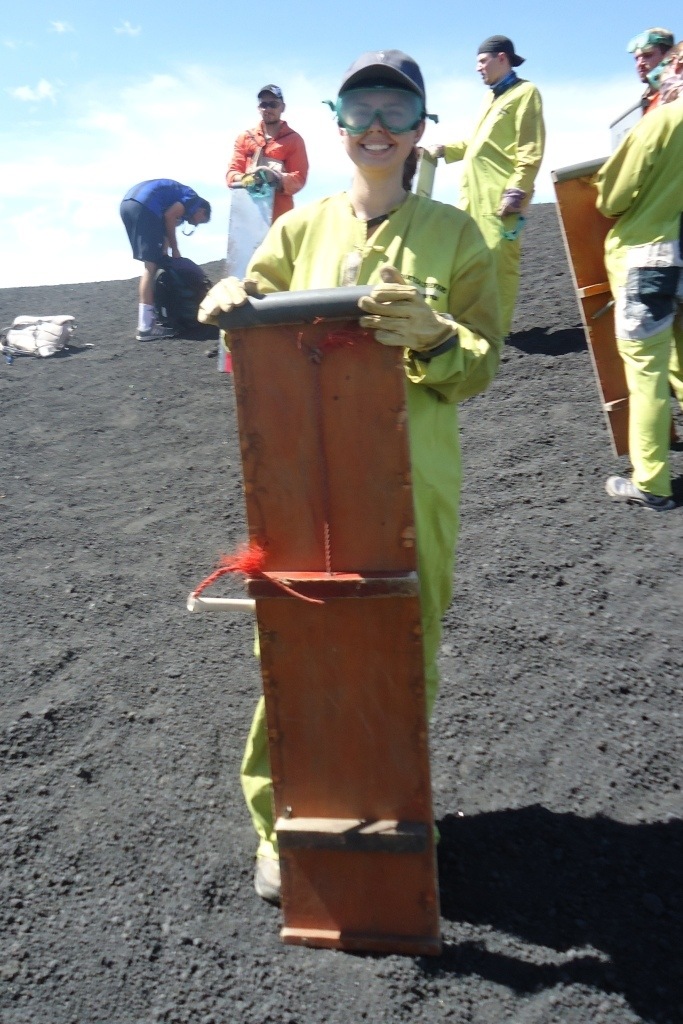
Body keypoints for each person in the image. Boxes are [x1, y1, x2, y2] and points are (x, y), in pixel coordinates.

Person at [200, 49, 503, 904]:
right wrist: (232, 302)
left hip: (414, 482)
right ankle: (280, 820)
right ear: (335, 124)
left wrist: (439, 340)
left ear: (419, 131)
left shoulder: (457, 237)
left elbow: (480, 364)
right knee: (293, 648)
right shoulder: (295, 232)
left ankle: (392, 810)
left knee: (404, 650)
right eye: (360, 108)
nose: (377, 127)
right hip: (302, 482)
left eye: (396, 113)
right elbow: (251, 323)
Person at [595, 50, 683, 511]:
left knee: (648, 373)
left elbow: (612, 197)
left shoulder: (663, 121)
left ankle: (651, 483)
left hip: (650, 260)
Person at [426, 35, 545, 336]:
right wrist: (445, 150)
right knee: (470, 260)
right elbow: (476, 142)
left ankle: (497, 332)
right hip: (471, 198)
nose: (478, 68)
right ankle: (473, 325)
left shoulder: (525, 93)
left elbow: (530, 148)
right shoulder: (490, 98)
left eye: (482, 61)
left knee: (498, 263)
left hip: (500, 198)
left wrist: (517, 189)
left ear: (502, 58)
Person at [120, 179, 211, 341]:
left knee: (154, 261)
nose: (195, 224)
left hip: (128, 204)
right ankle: (145, 327)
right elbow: (169, 216)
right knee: (151, 266)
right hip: (145, 205)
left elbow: (166, 227)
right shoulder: (193, 200)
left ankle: (149, 321)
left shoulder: (181, 203)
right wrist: (175, 250)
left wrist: (164, 252)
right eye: (200, 221)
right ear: (202, 211)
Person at [226, 85, 309, 223]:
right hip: (247, 220)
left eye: (273, 104)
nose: (268, 109)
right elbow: (231, 173)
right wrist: (248, 179)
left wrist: (276, 178)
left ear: (283, 107)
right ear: (259, 108)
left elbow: (299, 179)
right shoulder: (244, 138)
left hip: (280, 221)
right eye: (264, 104)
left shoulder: (294, 140)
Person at [627, 27, 675, 113]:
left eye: (648, 55)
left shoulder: (678, 92)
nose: (639, 64)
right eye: (636, 59)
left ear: (668, 56)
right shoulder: (646, 102)